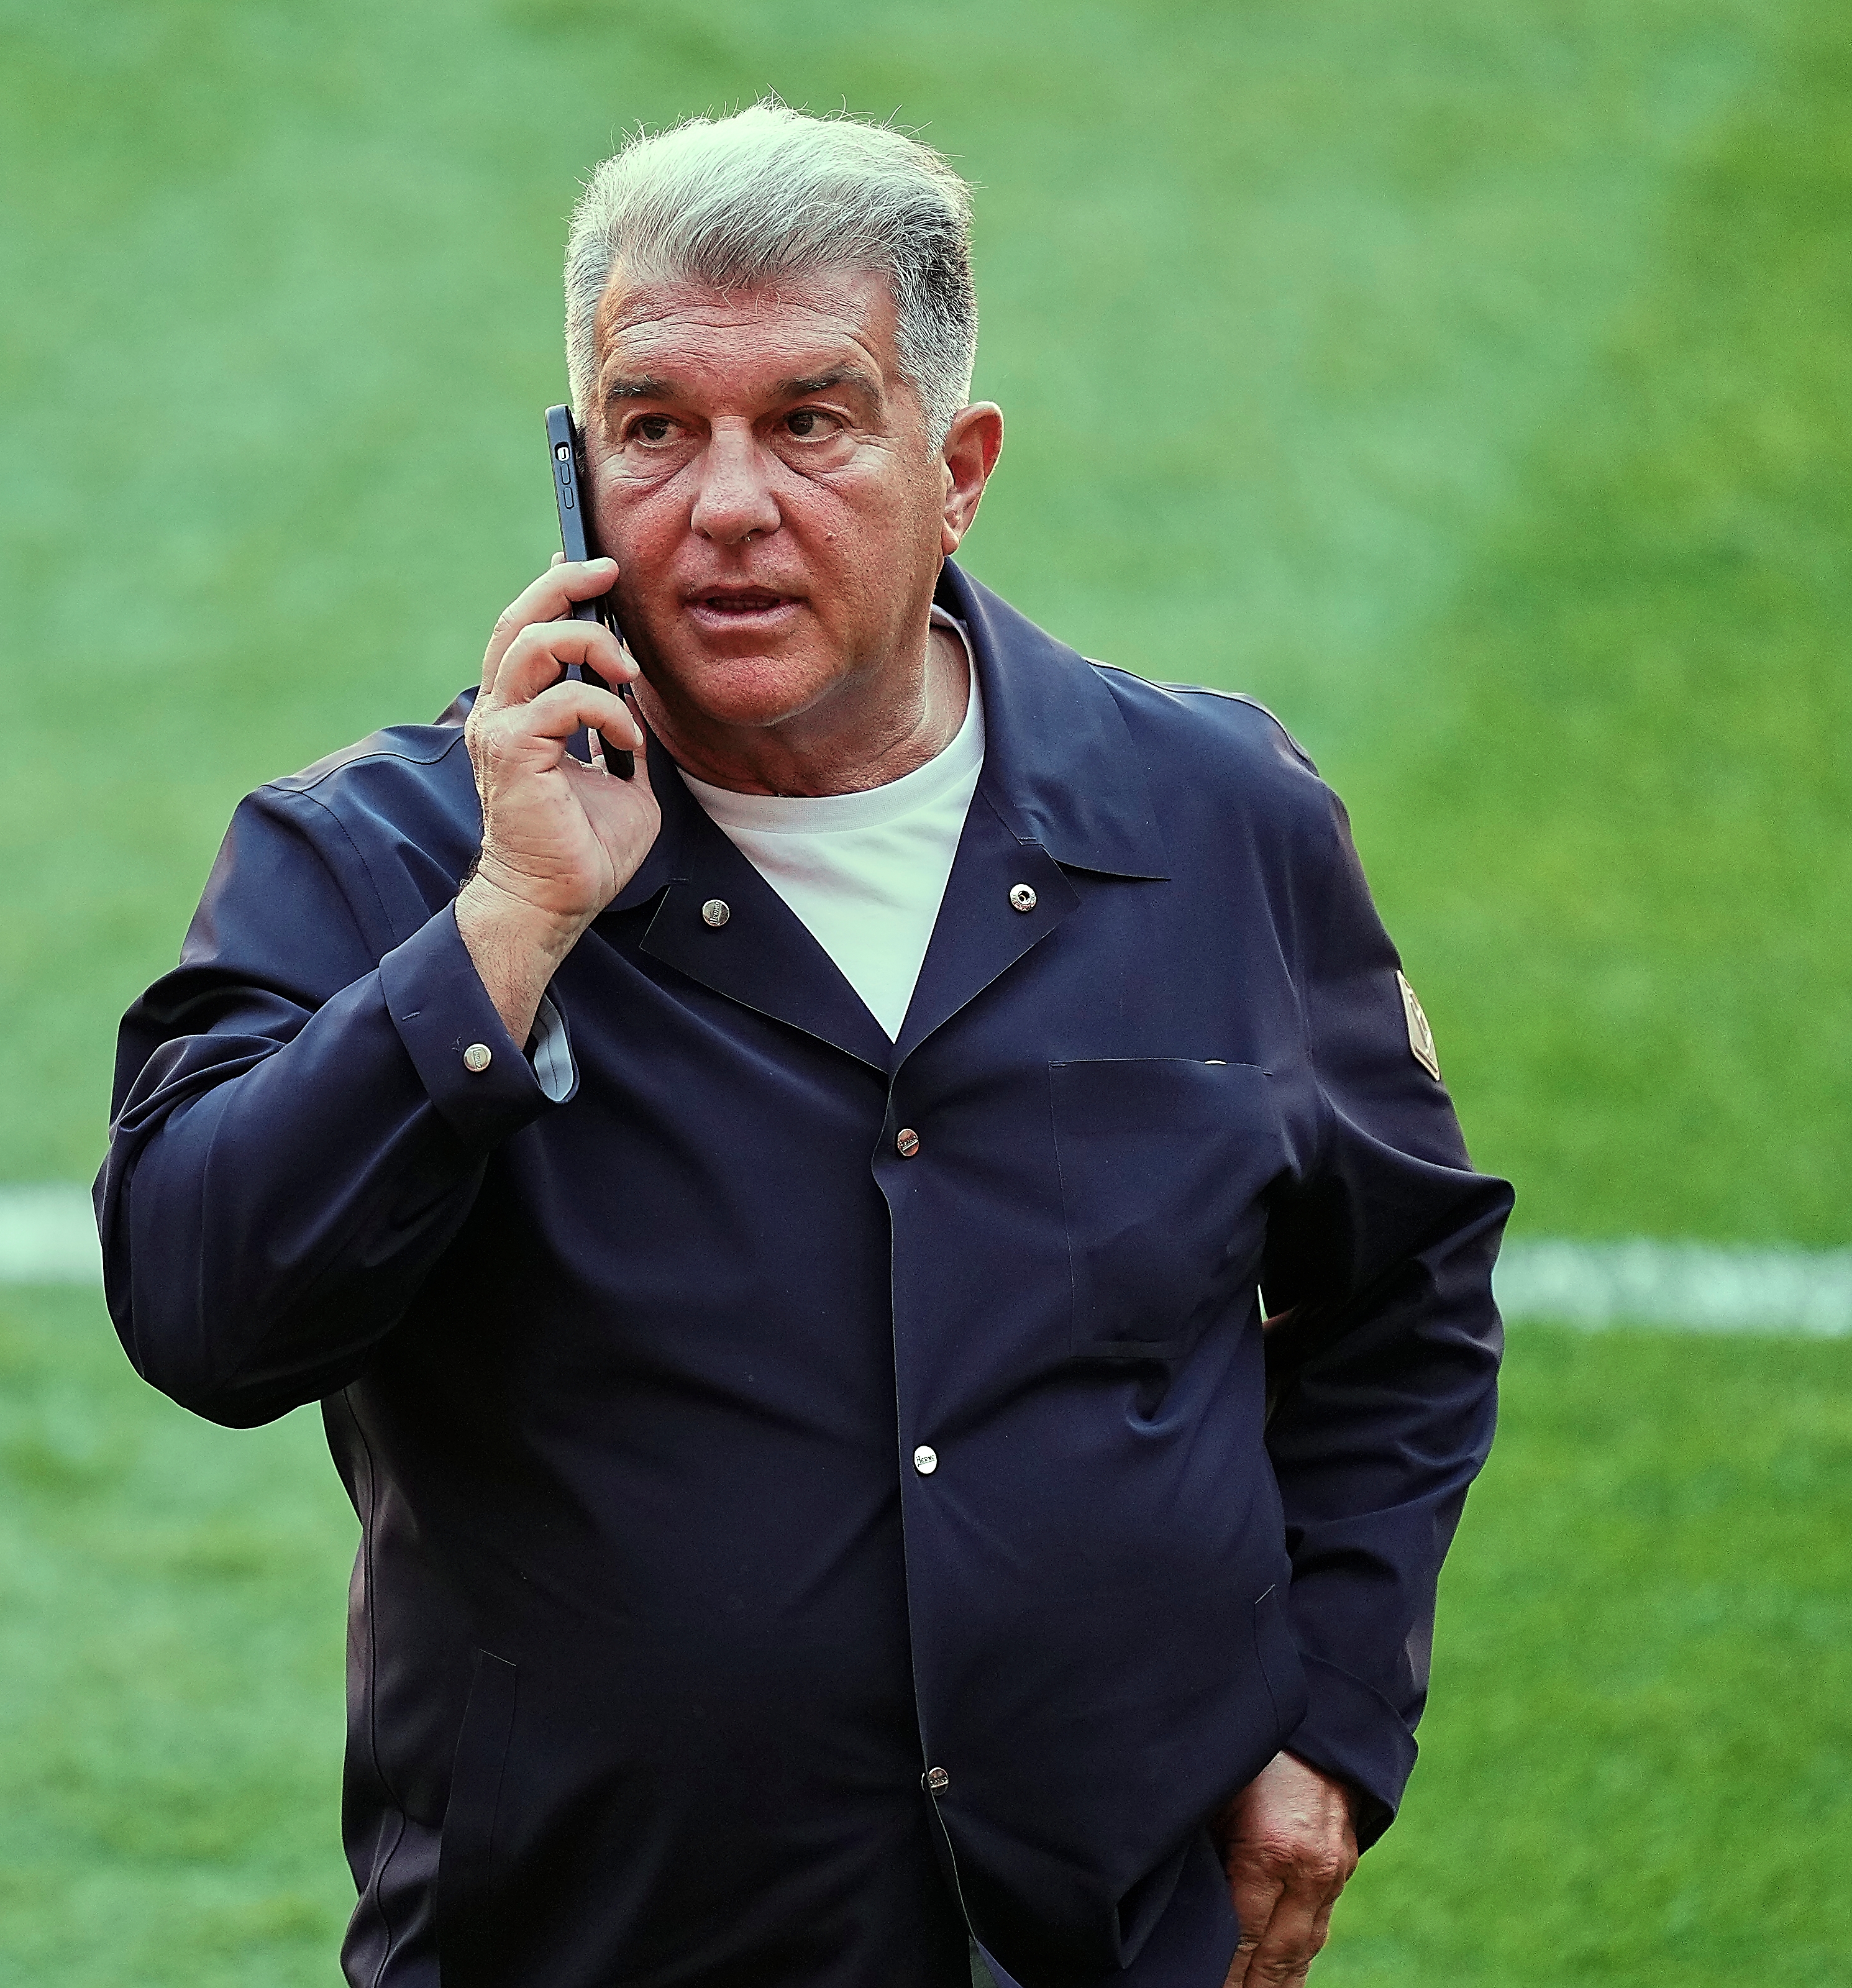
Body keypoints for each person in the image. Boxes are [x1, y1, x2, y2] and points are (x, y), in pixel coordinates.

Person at [96, 103, 1508, 1988]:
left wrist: (1332, 1709)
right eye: (655, 427)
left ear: (960, 466)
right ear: (575, 467)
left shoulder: (1211, 820)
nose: (727, 504)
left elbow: (1400, 1290)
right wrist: (507, 929)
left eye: (810, 423)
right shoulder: (374, 861)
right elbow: (202, 1316)